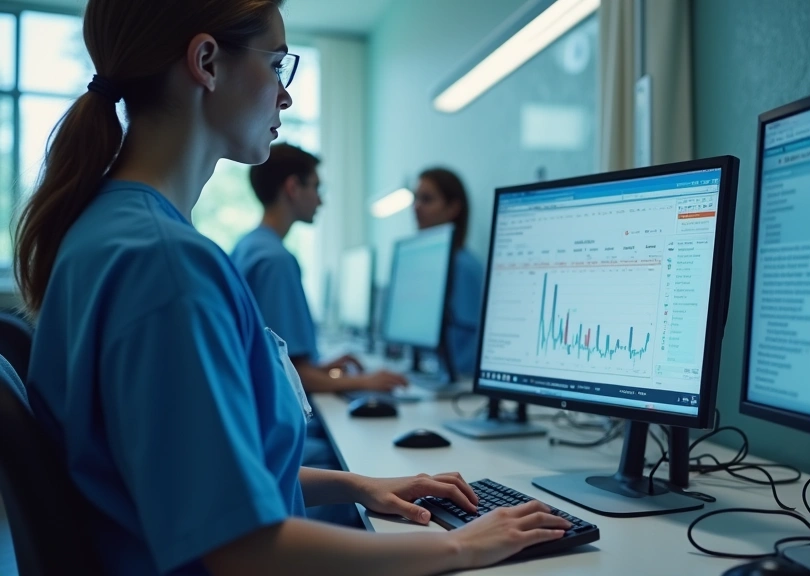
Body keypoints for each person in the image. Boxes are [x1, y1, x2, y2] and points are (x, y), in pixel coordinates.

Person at [14, 1, 570, 575]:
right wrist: (464, 545)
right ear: (206, 61)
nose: (285, 96)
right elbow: (245, 550)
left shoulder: (113, 231)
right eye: (277, 65)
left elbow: (196, 475)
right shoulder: (166, 265)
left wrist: (358, 484)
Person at [232, 143, 406, 396]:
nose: (321, 199)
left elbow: (278, 361)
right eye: (316, 187)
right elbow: (290, 373)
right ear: (293, 188)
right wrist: (364, 381)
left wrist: (322, 368)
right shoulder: (275, 260)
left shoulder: (248, 246)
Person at [413, 168, 485, 376]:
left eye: (426, 199)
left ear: (453, 208)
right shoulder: (434, 265)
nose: (416, 207)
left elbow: (465, 355)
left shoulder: (464, 268)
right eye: (415, 198)